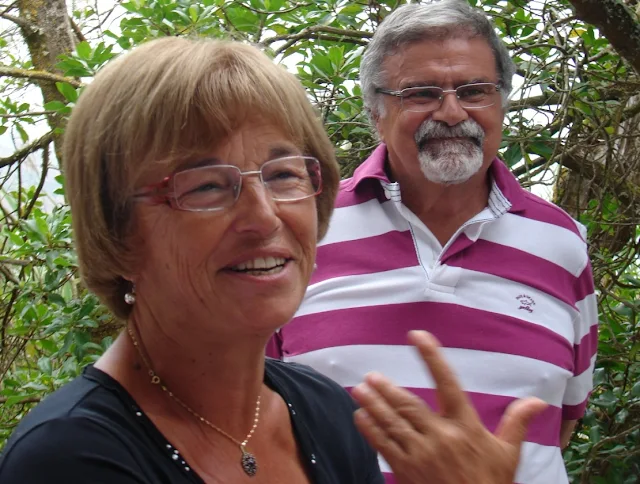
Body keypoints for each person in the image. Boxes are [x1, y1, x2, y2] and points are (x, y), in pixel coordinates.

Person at [0, 37, 546, 484]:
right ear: (117, 233)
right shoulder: (68, 459)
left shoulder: (327, 413)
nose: (263, 218)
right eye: (207, 186)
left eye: (284, 175)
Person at [267, 2, 599, 483]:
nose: (452, 112)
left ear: (502, 103)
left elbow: (563, 420)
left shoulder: (561, 242)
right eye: (421, 93)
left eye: (474, 91)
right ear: (376, 114)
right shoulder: (306, 225)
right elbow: (257, 409)